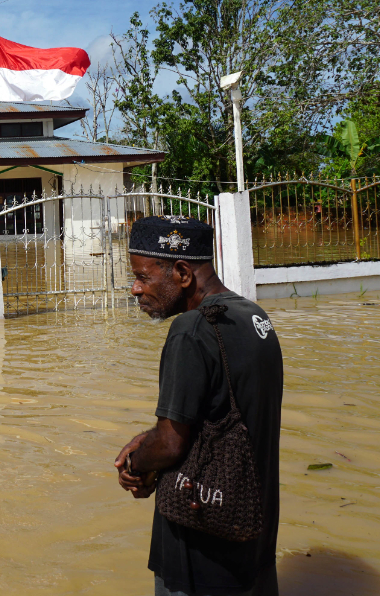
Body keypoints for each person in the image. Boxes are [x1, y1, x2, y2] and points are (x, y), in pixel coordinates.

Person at [113, 216, 283, 596]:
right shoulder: (254, 317)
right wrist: (149, 437)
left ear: (182, 273)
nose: (135, 289)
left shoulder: (190, 331)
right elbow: (219, 413)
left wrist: (136, 466)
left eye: (142, 276)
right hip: (253, 533)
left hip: (201, 546)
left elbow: (172, 443)